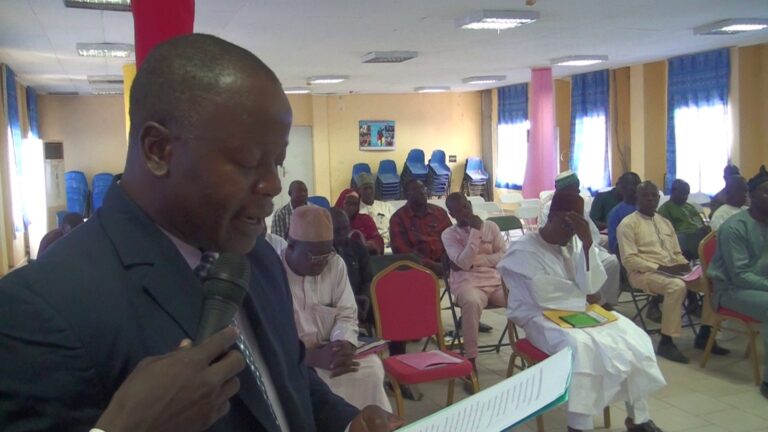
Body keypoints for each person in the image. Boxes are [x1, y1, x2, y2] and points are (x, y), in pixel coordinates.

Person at [0, 34, 400, 432]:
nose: (273, 186)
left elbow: (289, 381)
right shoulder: (39, 308)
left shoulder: (258, 259)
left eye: (276, 163)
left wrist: (349, 423)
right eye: (248, 162)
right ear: (158, 150)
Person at [499, 191, 666, 432]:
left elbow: (591, 286)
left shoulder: (576, 242)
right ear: (553, 218)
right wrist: (584, 295)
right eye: (568, 226)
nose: (571, 234)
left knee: (632, 336)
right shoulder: (523, 249)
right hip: (540, 317)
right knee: (581, 348)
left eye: (576, 228)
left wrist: (588, 244)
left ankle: (638, 418)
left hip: (581, 312)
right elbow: (543, 293)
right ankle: (579, 425)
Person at [282, 206, 392, 411]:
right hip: (292, 362)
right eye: (315, 257)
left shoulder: (335, 263)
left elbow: (347, 313)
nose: (323, 263)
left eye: (327, 253)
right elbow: (270, 336)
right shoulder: (274, 271)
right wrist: (308, 357)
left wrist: (342, 343)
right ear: (291, 247)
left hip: (330, 352)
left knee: (372, 368)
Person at [617, 181, 729, 364]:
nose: (650, 199)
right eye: (645, 195)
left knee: (712, 282)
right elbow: (629, 260)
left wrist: (685, 266)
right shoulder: (628, 224)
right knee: (676, 287)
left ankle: (706, 334)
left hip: (673, 271)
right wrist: (661, 268)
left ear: (659, 198)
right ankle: (666, 341)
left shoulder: (665, 223)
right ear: (637, 198)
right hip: (643, 274)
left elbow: (677, 253)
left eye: (654, 195)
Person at [707, 165, 768, 399]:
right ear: (751, 197)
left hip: (758, 286)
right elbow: (740, 275)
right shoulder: (735, 227)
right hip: (731, 290)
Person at [442, 193, 507, 385]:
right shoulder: (448, 234)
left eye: (465, 207)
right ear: (451, 214)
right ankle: (470, 362)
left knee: (521, 297)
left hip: (494, 282)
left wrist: (477, 261)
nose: (464, 213)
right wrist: (475, 232)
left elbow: (504, 255)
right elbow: (462, 262)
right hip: (467, 284)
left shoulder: (492, 227)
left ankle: (531, 350)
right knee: (470, 302)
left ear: (470, 205)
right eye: (458, 210)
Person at [540, 171, 621, 309]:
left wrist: (588, 243)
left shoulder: (578, 204)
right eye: (574, 187)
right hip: (564, 248)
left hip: (583, 244)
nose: (578, 190)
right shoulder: (552, 208)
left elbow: (591, 233)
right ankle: (594, 300)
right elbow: (555, 237)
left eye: (578, 187)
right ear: (563, 189)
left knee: (611, 262)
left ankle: (605, 301)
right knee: (580, 267)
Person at [389, 179, 452, 277]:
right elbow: (402, 250)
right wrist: (432, 265)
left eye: (423, 188)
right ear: (406, 195)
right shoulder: (398, 218)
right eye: (416, 190)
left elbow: (452, 239)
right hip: (416, 270)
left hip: (448, 265)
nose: (422, 192)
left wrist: (449, 262)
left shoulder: (439, 212)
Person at [330, 207, 374, 325]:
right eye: (337, 231)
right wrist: (348, 301)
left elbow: (368, 279)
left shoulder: (358, 248)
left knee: (389, 310)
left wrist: (364, 296)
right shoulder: (321, 252)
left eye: (346, 229)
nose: (343, 234)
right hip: (331, 305)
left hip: (359, 298)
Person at [657, 179, 710, 260]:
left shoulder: (690, 207)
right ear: (673, 192)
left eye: (687, 194)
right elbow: (667, 234)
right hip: (683, 243)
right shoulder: (665, 209)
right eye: (682, 193)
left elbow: (700, 223)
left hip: (699, 238)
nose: (685, 197)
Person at [335, 188, 384, 255]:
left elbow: (378, 239)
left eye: (355, 204)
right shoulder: (332, 222)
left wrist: (373, 243)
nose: (352, 207)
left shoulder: (365, 220)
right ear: (341, 203)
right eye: (348, 203)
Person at [607, 172, 642, 254]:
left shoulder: (646, 209)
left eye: (638, 185)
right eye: (632, 185)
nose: (635, 189)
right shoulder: (615, 214)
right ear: (623, 189)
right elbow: (614, 246)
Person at [356, 172, 393, 248]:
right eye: (365, 189)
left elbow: (396, 226)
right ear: (359, 190)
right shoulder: (356, 211)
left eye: (371, 188)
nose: (369, 191)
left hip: (389, 246)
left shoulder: (386, 206)